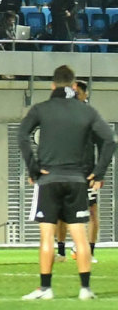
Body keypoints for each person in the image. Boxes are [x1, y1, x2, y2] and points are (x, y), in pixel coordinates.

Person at [18, 65, 115, 300]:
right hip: (77, 180)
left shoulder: (41, 108)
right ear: (73, 86)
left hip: (49, 179)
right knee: (79, 235)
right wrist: (99, 173)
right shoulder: (86, 111)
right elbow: (110, 141)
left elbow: (22, 135)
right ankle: (85, 289)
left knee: (47, 235)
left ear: (53, 85)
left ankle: (46, 288)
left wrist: (33, 168)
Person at [54, 80, 102, 264]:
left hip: (87, 172)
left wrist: (99, 171)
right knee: (62, 212)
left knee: (91, 212)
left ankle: (89, 252)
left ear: (85, 94)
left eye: (78, 92)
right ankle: (61, 251)